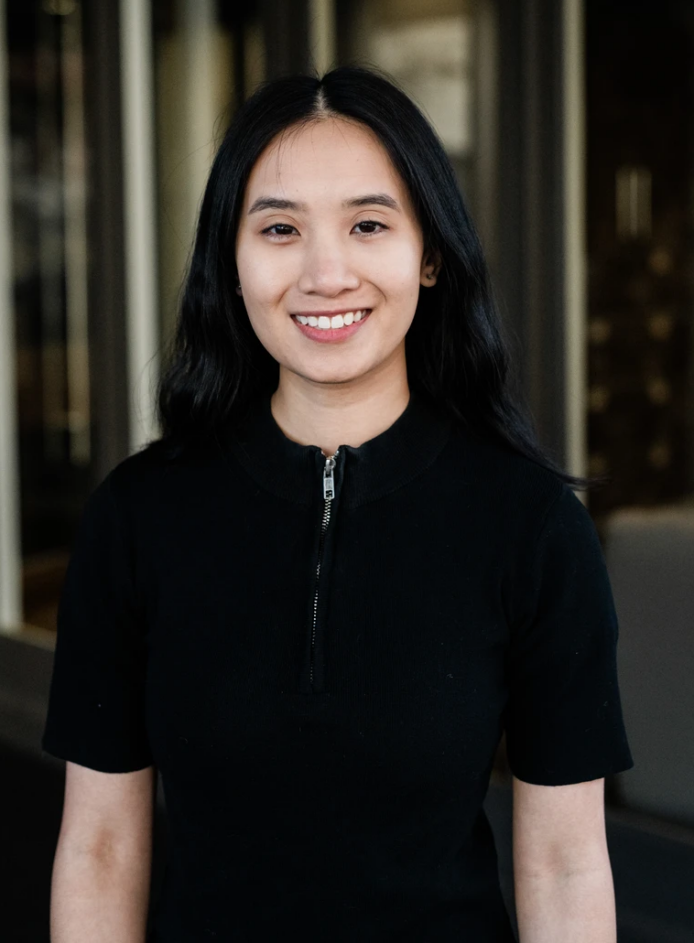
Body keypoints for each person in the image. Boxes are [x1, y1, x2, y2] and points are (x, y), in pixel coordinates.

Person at [42, 65, 633, 942]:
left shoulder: (531, 524)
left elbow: (567, 863)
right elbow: (97, 848)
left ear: (428, 254)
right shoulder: (139, 518)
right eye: (279, 228)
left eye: (367, 224)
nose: (326, 273)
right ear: (230, 261)